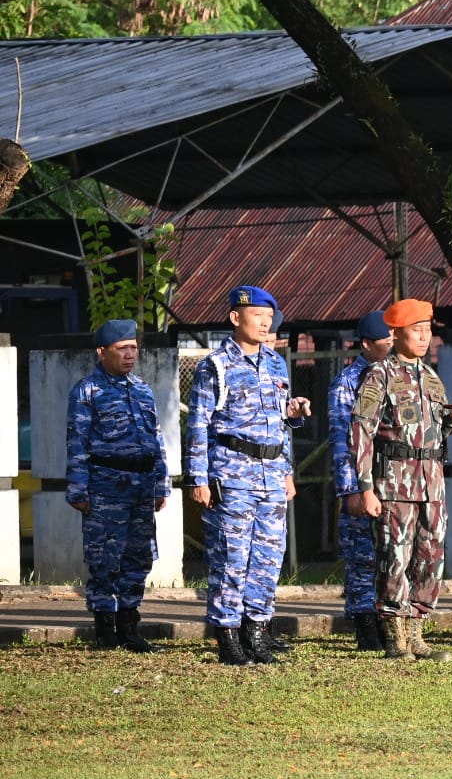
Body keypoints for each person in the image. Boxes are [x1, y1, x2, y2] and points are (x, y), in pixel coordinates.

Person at [185, 285, 309, 666]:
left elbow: (277, 422)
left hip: (271, 473)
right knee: (231, 556)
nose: (265, 324)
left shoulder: (276, 363)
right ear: (236, 318)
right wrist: (198, 478)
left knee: (269, 557)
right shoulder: (216, 365)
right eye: (258, 316)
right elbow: (199, 424)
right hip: (233, 473)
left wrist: (287, 464)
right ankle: (227, 635)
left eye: (269, 319)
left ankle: (257, 630)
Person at [350, 298, 452, 662]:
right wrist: (365, 487)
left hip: (431, 485)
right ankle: (395, 636)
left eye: (427, 330)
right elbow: (361, 433)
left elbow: (434, 433)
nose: (424, 337)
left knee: (429, 557)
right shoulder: (380, 376)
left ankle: (417, 632)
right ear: (396, 333)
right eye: (416, 330)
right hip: (394, 484)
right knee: (394, 558)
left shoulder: (430, 377)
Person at [67, 319, 170, 653]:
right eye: (121, 349)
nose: (130, 355)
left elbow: (157, 439)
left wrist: (161, 485)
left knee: (138, 557)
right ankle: (104, 630)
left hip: (141, 485)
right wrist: (78, 490)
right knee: (104, 559)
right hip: (105, 486)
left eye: (134, 349)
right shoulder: (88, 391)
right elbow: (77, 443)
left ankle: (129, 627)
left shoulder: (141, 389)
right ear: (102, 352)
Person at [326, 310, 394, 652]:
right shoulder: (348, 382)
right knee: (362, 557)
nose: (392, 347)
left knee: (392, 556)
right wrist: (350, 489)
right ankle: (365, 626)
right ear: (366, 344)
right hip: (360, 481)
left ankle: (390, 621)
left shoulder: (397, 377)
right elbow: (342, 440)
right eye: (386, 342)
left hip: (395, 481)